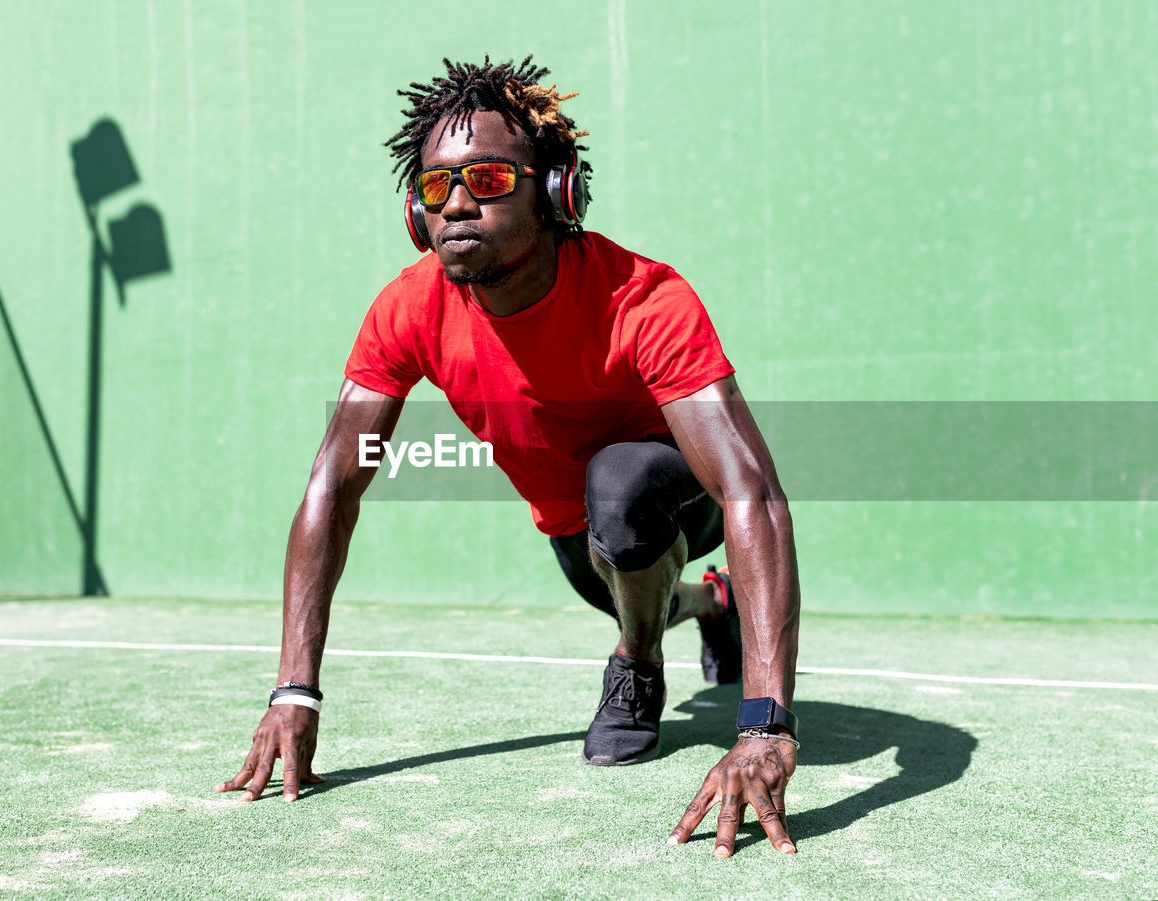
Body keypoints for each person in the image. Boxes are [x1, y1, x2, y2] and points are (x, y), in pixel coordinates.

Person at [216, 57, 801, 860]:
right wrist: (295, 689)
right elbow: (335, 483)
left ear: (557, 189)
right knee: (618, 550)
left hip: (679, 497)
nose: (457, 202)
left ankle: (636, 663)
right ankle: (709, 605)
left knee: (621, 486)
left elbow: (750, 493)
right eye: (434, 188)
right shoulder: (410, 308)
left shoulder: (643, 298)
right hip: (576, 534)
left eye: (487, 178)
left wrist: (765, 721)